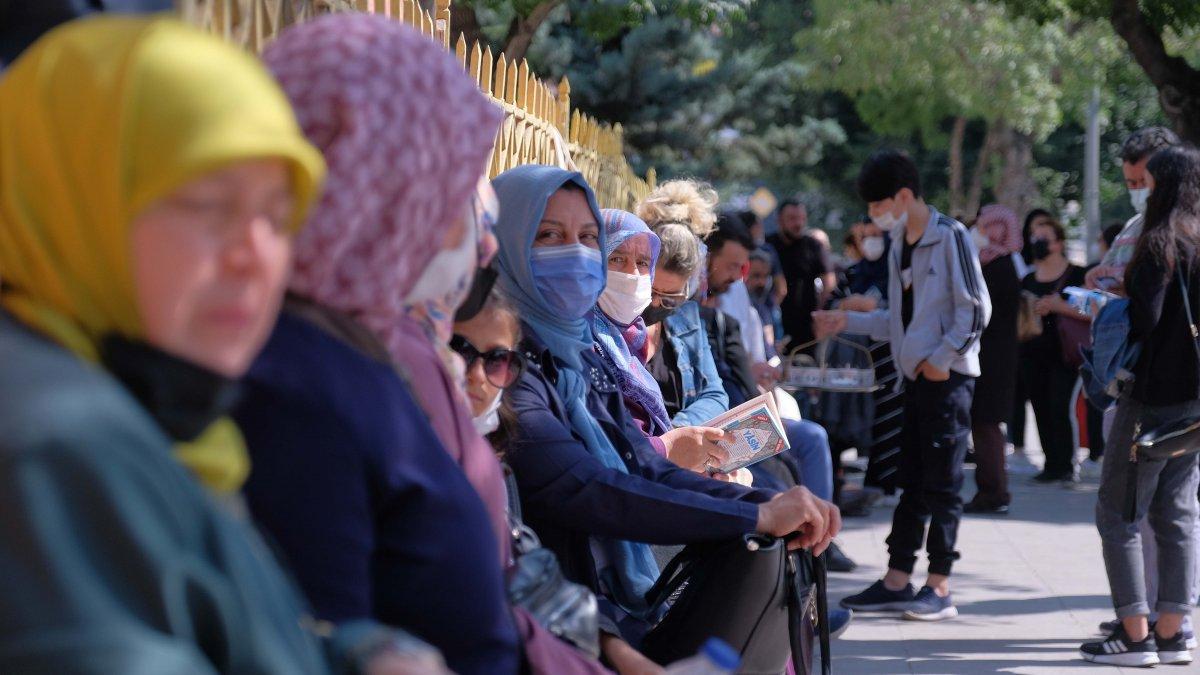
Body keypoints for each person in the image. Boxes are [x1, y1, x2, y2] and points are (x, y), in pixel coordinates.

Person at [0, 15, 443, 673]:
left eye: (276, 214)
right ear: (70, 192)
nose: (255, 256)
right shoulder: (56, 452)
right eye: (208, 203)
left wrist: (352, 653)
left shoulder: (159, 407)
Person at [231, 16, 522, 675]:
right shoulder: (294, 383)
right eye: (449, 193)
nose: (470, 236)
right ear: (385, 192)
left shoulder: (347, 343)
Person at [491, 164, 840, 671]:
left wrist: (763, 502)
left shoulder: (573, 355)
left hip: (603, 597)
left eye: (587, 237)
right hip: (566, 614)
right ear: (506, 243)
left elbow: (639, 462)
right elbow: (586, 487)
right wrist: (754, 513)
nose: (574, 252)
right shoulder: (505, 361)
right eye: (549, 235)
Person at [814, 149, 990, 622]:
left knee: (944, 484)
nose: (874, 218)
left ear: (905, 195)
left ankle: (940, 585)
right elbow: (897, 321)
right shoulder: (898, 245)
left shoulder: (950, 236)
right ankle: (897, 579)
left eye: (878, 206)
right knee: (909, 480)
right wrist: (846, 320)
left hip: (948, 380)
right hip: (914, 379)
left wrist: (940, 359)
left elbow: (975, 311)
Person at [1081, 145, 1200, 667]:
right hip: (1196, 403)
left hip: (1150, 397)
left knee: (1118, 514)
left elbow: (1145, 321)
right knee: (1177, 515)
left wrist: (1118, 298)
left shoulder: (1158, 243)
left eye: (1148, 183)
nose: (1142, 191)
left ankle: (1134, 635)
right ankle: (1173, 631)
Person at [840, 218, 904, 504]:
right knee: (860, 417)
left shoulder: (897, 272)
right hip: (855, 359)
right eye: (867, 235)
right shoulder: (854, 272)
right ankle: (868, 480)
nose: (872, 241)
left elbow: (900, 309)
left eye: (879, 235)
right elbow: (836, 301)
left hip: (890, 358)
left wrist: (868, 306)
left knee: (891, 419)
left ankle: (889, 482)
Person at [964, 205, 1023, 514]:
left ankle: (992, 491)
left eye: (987, 227)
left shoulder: (1000, 267)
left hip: (993, 360)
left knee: (985, 425)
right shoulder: (993, 263)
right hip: (992, 357)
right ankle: (992, 489)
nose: (980, 232)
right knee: (985, 426)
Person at [1019, 218, 1088, 484]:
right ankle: (1051, 464)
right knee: (1040, 407)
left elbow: (1092, 310)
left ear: (1058, 243)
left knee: (1060, 405)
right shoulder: (1026, 279)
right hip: (1032, 353)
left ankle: (1068, 465)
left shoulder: (1076, 275)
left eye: (1044, 237)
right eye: (1034, 237)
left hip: (1066, 355)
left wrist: (1060, 307)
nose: (1037, 242)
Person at [769, 199, 834, 353]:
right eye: (792, 218)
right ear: (779, 220)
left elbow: (829, 283)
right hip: (773, 323)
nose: (798, 223)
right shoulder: (768, 246)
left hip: (806, 326)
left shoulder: (813, 246)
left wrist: (820, 316)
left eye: (801, 218)